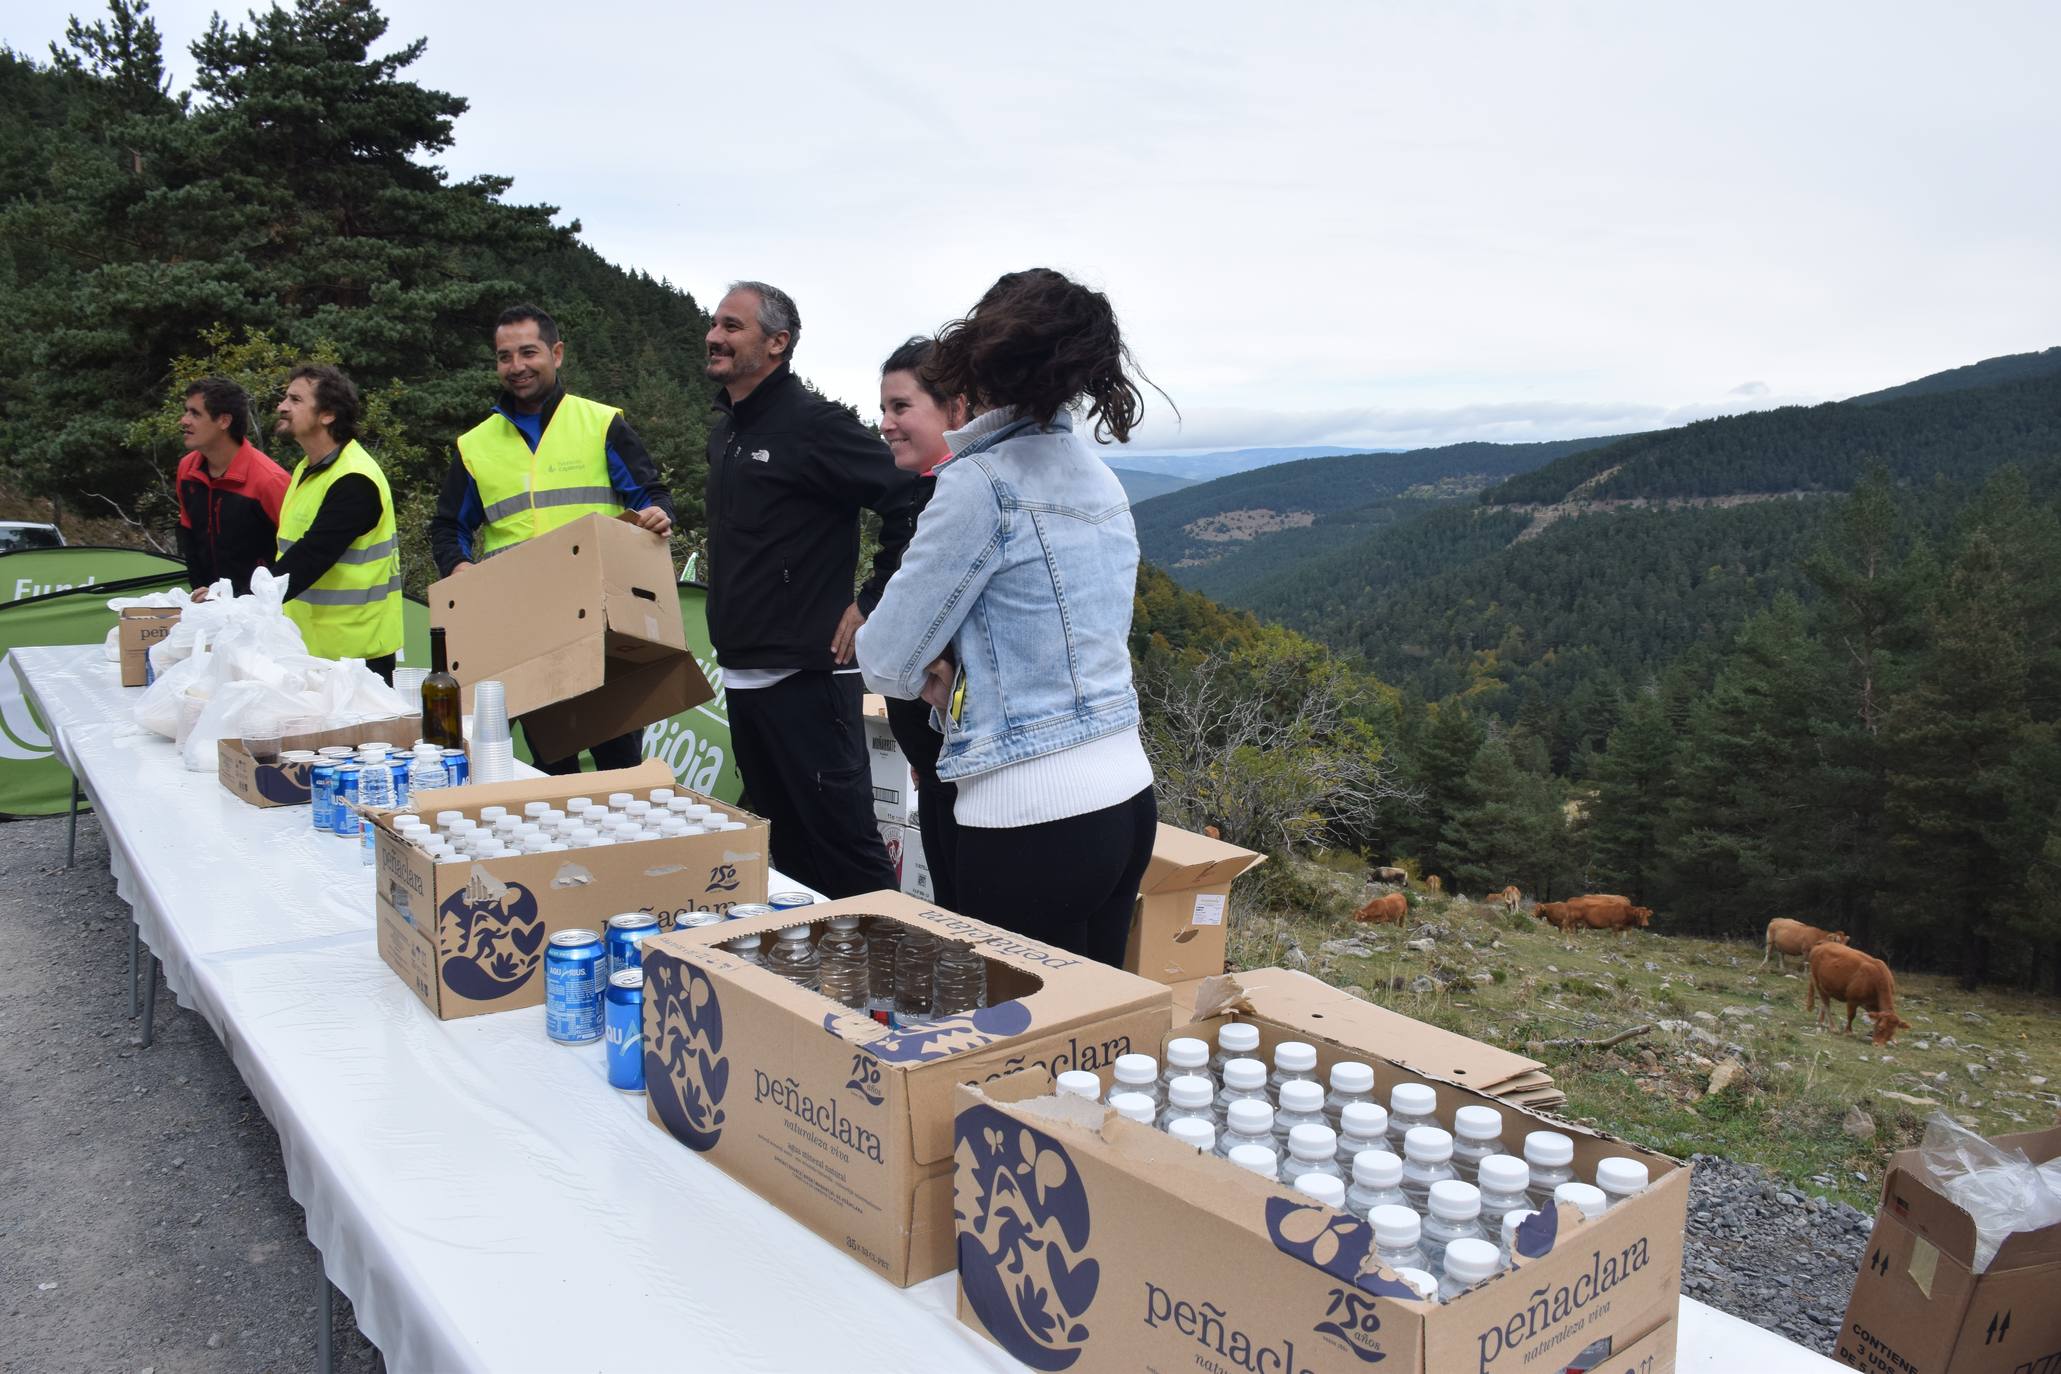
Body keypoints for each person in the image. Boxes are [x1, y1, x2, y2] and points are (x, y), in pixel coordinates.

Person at [856, 269, 1160, 966]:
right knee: (1092, 1047)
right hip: (1126, 795)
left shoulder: (980, 482)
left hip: (1027, 812)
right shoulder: (1094, 473)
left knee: (1009, 1052)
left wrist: (939, 668)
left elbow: (885, 660)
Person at [703, 280, 915, 899]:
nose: (715, 336)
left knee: (846, 851)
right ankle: (806, 985)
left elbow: (909, 496)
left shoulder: (814, 425)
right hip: (742, 680)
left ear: (777, 343)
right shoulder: (728, 430)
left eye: (733, 327)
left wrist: (873, 599)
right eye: (715, 324)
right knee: (784, 858)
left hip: (809, 682)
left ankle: (887, 988)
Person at [430, 304, 676, 773]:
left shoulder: (602, 423)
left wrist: (658, 515)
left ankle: (627, 849)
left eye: (529, 352)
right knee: (552, 766)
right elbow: (448, 526)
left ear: (556, 353)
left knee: (619, 765)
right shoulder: (475, 445)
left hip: (601, 622)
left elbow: (652, 493)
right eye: (505, 356)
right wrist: (460, 569)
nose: (517, 366)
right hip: (524, 628)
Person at [871, 337, 967, 909]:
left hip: (969, 775)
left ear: (954, 408)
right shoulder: (916, 489)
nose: (886, 424)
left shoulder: (967, 500)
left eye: (901, 407)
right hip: (931, 765)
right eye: (883, 408)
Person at [271, 364, 403, 681]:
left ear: (327, 414)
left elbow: (311, 556)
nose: (282, 407)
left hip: (355, 662)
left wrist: (238, 599)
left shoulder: (355, 480)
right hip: (313, 653)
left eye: (295, 400)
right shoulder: (308, 469)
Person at [175, 377, 290, 597]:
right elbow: (190, 540)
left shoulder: (270, 480)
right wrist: (202, 594)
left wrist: (243, 600)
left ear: (224, 421)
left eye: (195, 413)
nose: (184, 420)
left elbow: (293, 556)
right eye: (186, 412)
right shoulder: (186, 469)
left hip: (261, 612)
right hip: (207, 605)